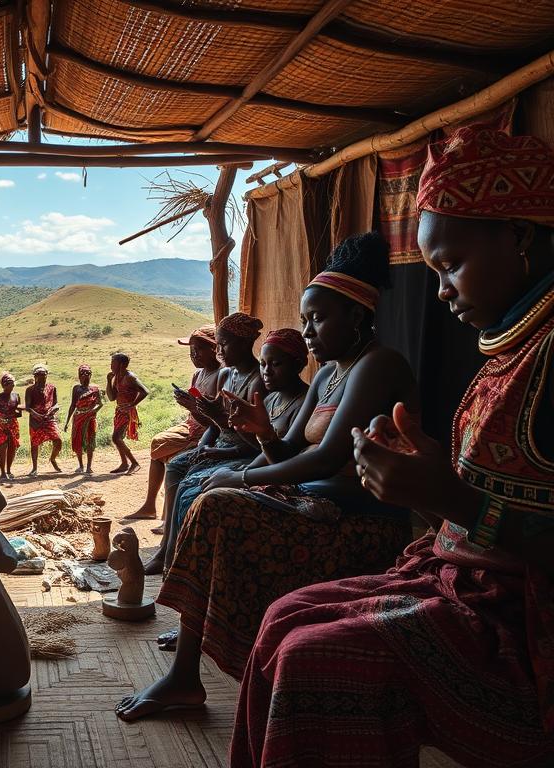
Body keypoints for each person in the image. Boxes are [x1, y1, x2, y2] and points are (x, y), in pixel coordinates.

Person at [233, 128, 554, 768]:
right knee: (284, 617)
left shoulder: (395, 364)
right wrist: (424, 481)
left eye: (450, 265)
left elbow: (478, 511)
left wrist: (449, 498)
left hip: (522, 622)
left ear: (520, 236)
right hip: (456, 575)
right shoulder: (512, 351)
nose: (441, 290)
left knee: (313, 658)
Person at [117, 231, 418, 722]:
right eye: (305, 320)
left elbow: (326, 460)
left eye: (318, 318)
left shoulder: (378, 365)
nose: (309, 331)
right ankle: (191, 661)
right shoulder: (329, 374)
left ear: (356, 316)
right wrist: (261, 434)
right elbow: (289, 448)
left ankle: (186, 675)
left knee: (218, 504)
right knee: (210, 499)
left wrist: (242, 480)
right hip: (312, 502)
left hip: (359, 517)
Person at [152, 328, 310, 648]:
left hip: (261, 469)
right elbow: (261, 445)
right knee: (187, 483)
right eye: (264, 364)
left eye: (276, 364)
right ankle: (179, 579)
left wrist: (238, 473)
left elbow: (268, 451)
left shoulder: (298, 399)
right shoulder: (271, 396)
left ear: (298, 364)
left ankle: (195, 606)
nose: (267, 371)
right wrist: (215, 430)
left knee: (197, 494)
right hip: (252, 464)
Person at [142, 314, 272, 574]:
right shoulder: (227, 375)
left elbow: (256, 442)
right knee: (177, 465)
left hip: (242, 451)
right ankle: (167, 547)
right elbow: (214, 425)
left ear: (244, 343)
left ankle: (177, 560)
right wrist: (203, 444)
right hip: (220, 444)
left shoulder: (258, 380)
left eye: (224, 345)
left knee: (189, 486)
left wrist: (216, 437)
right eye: (218, 345)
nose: (219, 351)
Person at [127, 324, 221, 520]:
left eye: (198, 349)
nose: (193, 355)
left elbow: (217, 421)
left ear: (215, 349)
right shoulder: (198, 374)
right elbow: (196, 401)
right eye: (191, 350)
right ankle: (150, 506)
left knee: (169, 456)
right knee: (158, 443)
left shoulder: (222, 375)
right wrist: (188, 402)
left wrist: (193, 407)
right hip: (192, 424)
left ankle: (164, 515)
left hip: (206, 430)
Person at [106, 353, 149, 474]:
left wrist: (132, 405)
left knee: (116, 438)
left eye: (113, 363)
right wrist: (108, 381)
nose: (111, 366)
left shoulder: (130, 377)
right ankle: (124, 464)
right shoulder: (117, 377)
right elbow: (112, 397)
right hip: (119, 411)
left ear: (121, 364)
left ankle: (134, 463)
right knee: (117, 438)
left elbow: (145, 391)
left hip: (127, 412)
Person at [65, 364, 103, 474]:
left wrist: (92, 411)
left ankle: (89, 467)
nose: (85, 376)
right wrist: (67, 422)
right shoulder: (76, 389)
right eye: (82, 374)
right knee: (78, 441)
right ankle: (81, 466)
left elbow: (100, 404)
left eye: (87, 374)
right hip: (78, 418)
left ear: (91, 375)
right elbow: (73, 405)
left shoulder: (95, 389)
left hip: (90, 419)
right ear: (79, 376)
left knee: (90, 441)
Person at [25, 363, 62, 475]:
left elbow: (55, 404)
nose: (42, 377)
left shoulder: (52, 388)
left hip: (49, 418)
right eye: (39, 375)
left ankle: (53, 459)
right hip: (35, 420)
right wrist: (37, 415)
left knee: (58, 440)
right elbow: (28, 407)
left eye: (44, 375)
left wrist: (52, 410)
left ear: (47, 375)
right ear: (35, 376)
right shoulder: (30, 390)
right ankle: (34, 468)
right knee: (35, 443)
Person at [0, 372, 22, 480]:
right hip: (0, 425)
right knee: (2, 447)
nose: (12, 385)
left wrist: (13, 415)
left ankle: (9, 470)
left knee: (12, 447)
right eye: (9, 383)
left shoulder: (16, 396)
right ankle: (2, 472)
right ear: (4, 385)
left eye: (12, 383)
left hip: (13, 425)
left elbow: (19, 413)